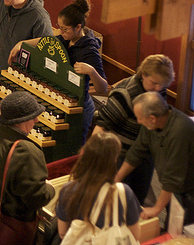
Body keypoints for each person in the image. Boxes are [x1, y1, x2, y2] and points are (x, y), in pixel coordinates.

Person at [9, 0, 107, 141]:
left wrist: (91, 71)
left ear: (78, 27)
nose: (61, 32)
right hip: (63, 99)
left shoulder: (89, 51)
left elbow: (103, 88)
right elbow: (50, 40)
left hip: (79, 109)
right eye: (60, 28)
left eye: (64, 29)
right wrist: (22, 43)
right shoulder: (67, 38)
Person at [0, 91, 55, 237]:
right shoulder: (26, 151)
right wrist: (49, 189)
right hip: (5, 228)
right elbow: (36, 197)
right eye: (32, 116)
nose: (37, 120)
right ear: (20, 120)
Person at [93, 54, 175, 204]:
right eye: (155, 83)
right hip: (119, 155)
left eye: (163, 85)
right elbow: (101, 125)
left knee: (137, 200)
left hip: (143, 154)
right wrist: (92, 157)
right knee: (117, 200)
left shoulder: (158, 88)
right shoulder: (125, 94)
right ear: (143, 74)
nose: (159, 88)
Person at [116, 91, 194, 225]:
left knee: (184, 232)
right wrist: (116, 179)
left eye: (140, 118)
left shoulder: (180, 131)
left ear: (152, 118)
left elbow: (173, 177)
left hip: (189, 191)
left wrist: (156, 209)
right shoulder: (152, 124)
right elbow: (137, 151)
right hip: (174, 188)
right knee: (172, 226)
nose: (139, 121)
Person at [55, 131, 142, 242]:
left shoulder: (68, 190)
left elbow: (63, 233)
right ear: (112, 161)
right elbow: (135, 235)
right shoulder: (124, 192)